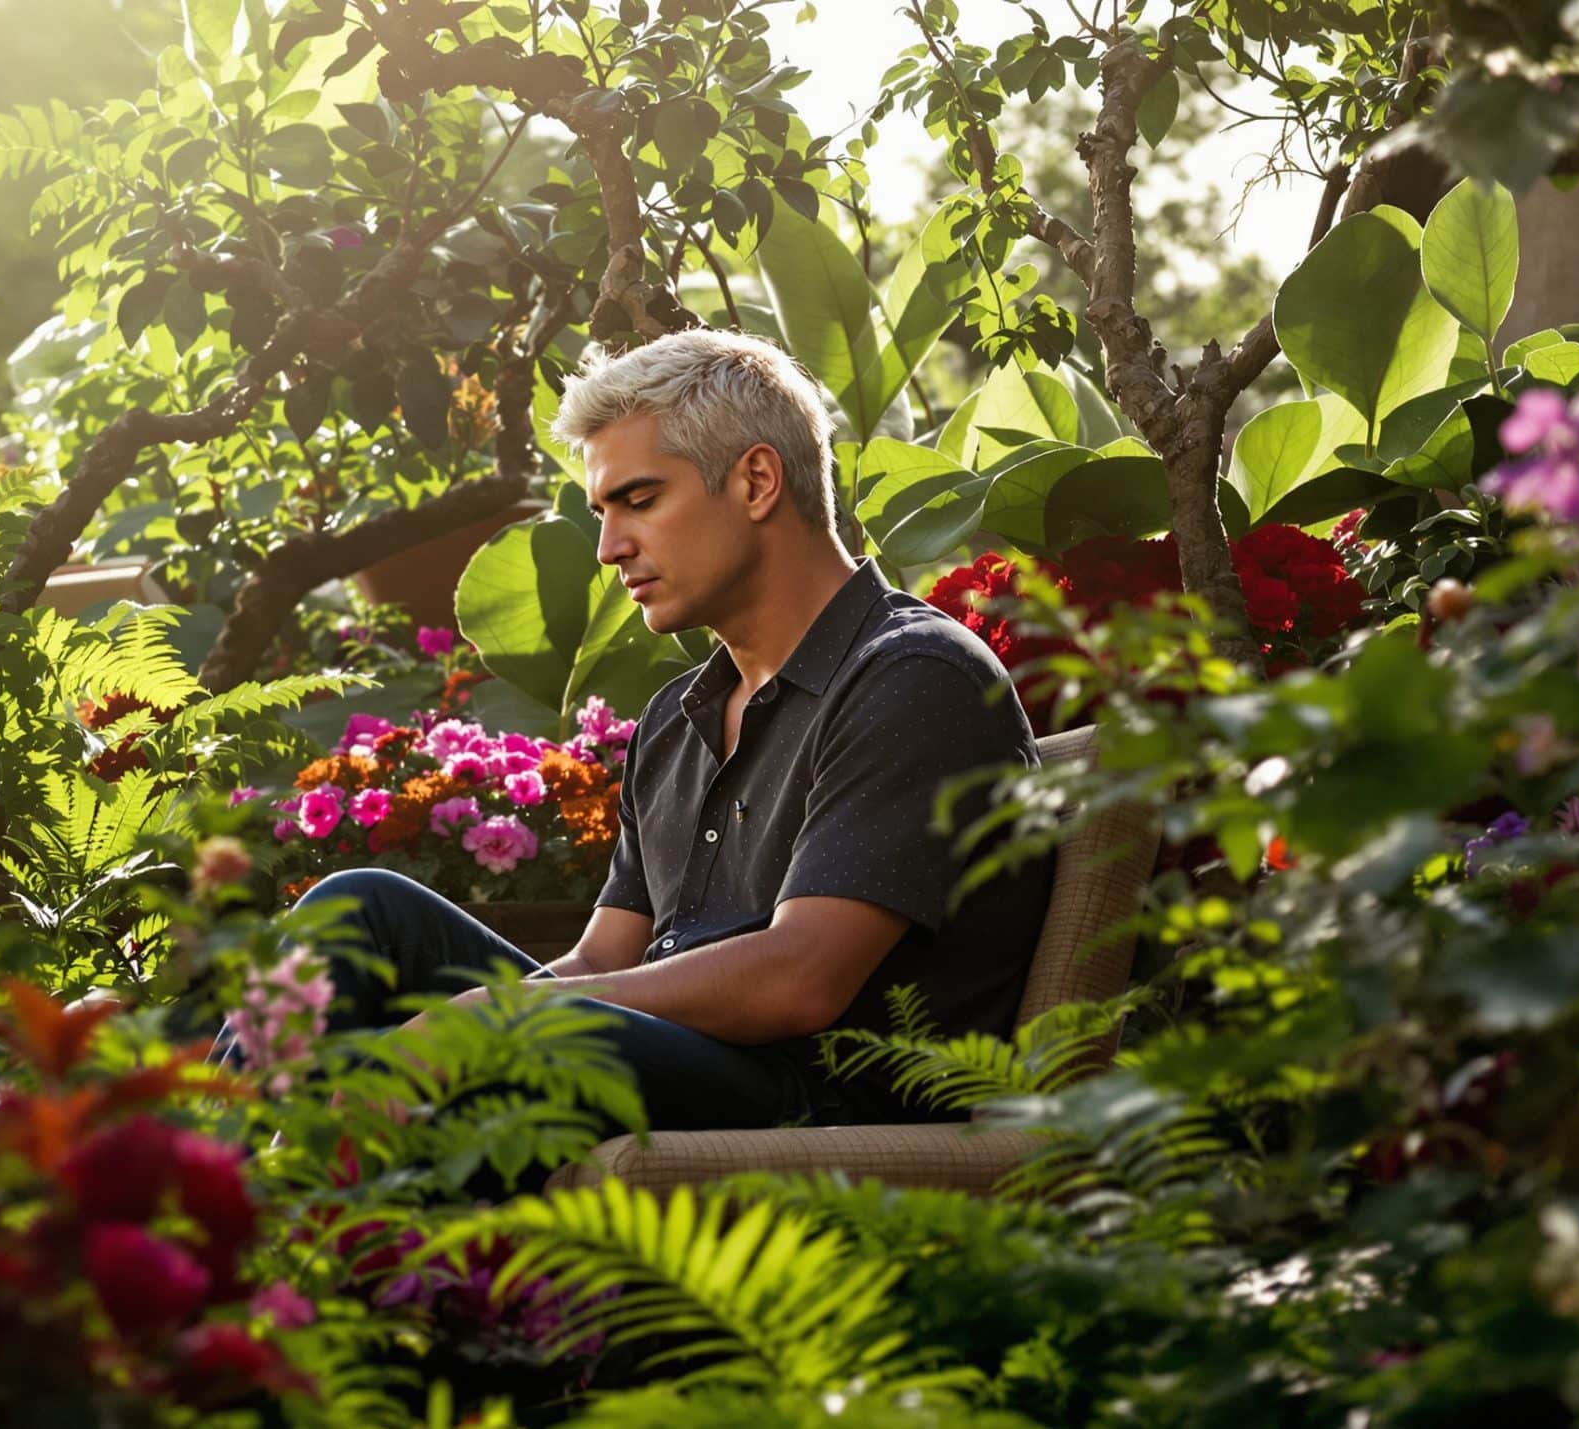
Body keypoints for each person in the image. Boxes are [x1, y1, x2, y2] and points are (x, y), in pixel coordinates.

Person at [290, 328, 1056, 1138]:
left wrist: (497, 1018)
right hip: (667, 1068)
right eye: (603, 511)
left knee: (524, 1028)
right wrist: (470, 1019)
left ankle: (280, 1197)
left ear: (757, 481)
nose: (608, 547)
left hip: (816, 1115)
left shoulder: (911, 675)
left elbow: (803, 978)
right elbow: (600, 960)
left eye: (641, 500)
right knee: (358, 910)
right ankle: (245, 1185)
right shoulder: (676, 719)